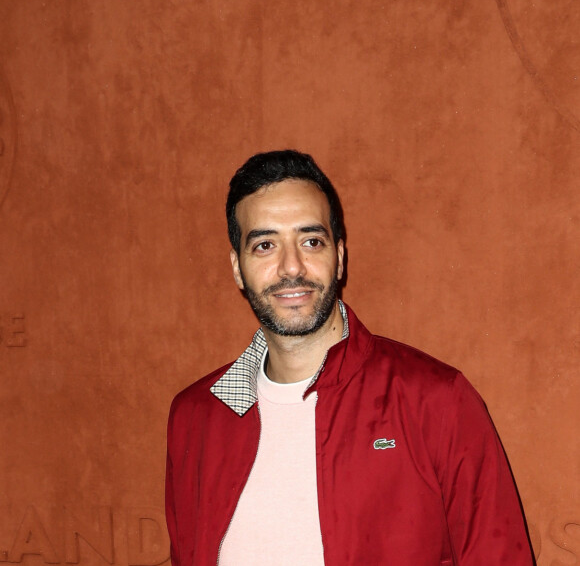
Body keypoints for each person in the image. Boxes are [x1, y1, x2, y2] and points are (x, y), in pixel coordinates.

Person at [165, 150, 534, 565]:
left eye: (311, 241)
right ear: (237, 267)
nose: (291, 267)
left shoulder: (436, 401)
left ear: (339, 257)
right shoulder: (195, 418)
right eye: (265, 245)